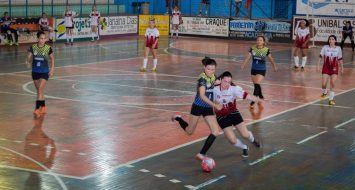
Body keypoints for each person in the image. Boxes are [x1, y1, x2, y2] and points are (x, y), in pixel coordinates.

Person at [172, 57, 222, 161]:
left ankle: (201, 154)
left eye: (213, 69)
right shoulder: (202, 79)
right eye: (209, 69)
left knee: (215, 131)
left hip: (208, 108)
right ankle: (178, 118)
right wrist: (215, 105)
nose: (211, 71)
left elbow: (215, 86)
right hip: (198, 106)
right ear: (204, 68)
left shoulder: (213, 76)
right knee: (189, 131)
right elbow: (202, 96)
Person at [213, 71, 261, 157]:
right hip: (221, 116)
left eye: (229, 82)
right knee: (232, 140)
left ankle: (253, 140)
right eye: (225, 81)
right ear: (220, 80)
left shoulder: (234, 89)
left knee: (245, 135)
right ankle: (244, 147)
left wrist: (257, 99)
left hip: (233, 113)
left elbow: (247, 96)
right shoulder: (214, 89)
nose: (227, 84)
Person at [241, 36, 277, 109]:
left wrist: (274, 66)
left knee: (257, 83)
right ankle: (261, 96)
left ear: (263, 42)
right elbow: (248, 57)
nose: (259, 41)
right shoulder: (252, 48)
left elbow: (271, 59)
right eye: (257, 40)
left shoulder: (266, 50)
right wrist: (243, 64)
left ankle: (253, 100)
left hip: (261, 70)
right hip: (253, 69)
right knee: (256, 85)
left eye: (260, 40)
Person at [25, 31, 55, 118]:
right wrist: (27, 62)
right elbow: (28, 57)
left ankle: (37, 109)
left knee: (40, 89)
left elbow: (52, 59)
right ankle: (44, 106)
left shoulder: (48, 48)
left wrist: (52, 69)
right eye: (41, 38)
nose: (43, 40)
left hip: (44, 72)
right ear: (38, 39)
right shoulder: (33, 47)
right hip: (35, 72)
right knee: (39, 91)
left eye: (44, 38)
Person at [317, 35, 343, 106]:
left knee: (332, 83)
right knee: (324, 84)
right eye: (330, 39)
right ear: (328, 41)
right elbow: (320, 57)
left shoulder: (338, 48)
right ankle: (324, 92)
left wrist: (342, 68)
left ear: (335, 41)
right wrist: (318, 66)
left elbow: (340, 59)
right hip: (326, 67)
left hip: (334, 68)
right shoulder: (325, 47)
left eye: (332, 39)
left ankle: (331, 100)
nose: (331, 40)